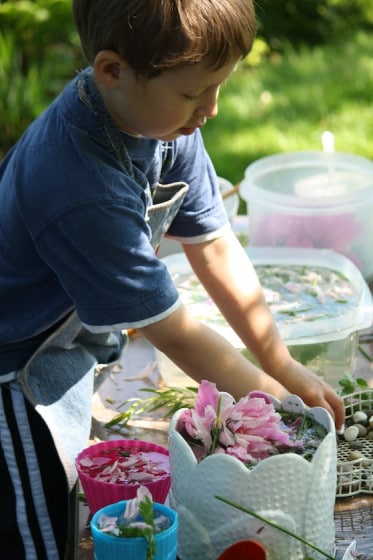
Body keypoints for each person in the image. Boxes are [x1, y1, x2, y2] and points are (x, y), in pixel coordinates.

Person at [0, 0, 345, 558]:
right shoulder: (77, 185)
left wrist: (277, 361)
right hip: (12, 366)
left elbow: (213, 244)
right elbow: (177, 334)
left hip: (63, 339)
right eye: (193, 93)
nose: (210, 109)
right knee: (34, 523)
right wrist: (281, 410)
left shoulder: (161, 120)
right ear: (112, 71)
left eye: (218, 87)